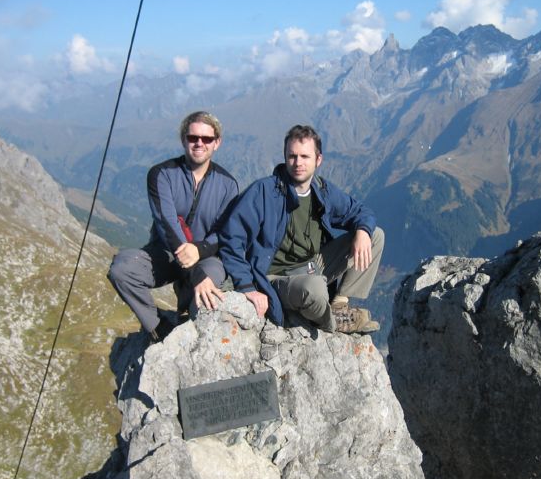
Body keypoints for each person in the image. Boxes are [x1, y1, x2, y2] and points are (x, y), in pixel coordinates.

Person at [219, 124, 384, 334]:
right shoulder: (264, 192)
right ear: (285, 157)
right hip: (276, 277)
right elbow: (231, 238)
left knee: (375, 235)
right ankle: (335, 323)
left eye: (305, 157)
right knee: (313, 290)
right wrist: (247, 287)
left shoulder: (322, 191)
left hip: (313, 266)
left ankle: (339, 304)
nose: (298, 163)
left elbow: (361, 212)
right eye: (292, 156)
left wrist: (362, 231)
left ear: (318, 160)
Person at [107, 111, 238, 342]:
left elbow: (225, 233)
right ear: (183, 140)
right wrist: (195, 273)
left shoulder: (227, 185)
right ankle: (158, 325)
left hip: (205, 256)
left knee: (213, 280)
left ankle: (190, 317)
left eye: (207, 139)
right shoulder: (161, 174)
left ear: (217, 143)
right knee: (122, 269)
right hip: (165, 254)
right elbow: (167, 226)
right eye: (193, 137)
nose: (199, 143)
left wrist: (200, 251)